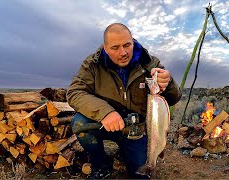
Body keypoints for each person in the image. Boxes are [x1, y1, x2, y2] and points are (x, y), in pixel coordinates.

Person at [67, 23, 181, 179]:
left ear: (132, 42)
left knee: (141, 174)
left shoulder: (149, 63)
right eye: (115, 48)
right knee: (80, 123)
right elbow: (75, 92)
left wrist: (168, 83)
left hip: (136, 132)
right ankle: (101, 165)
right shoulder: (92, 65)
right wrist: (106, 112)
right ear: (105, 48)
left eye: (127, 45)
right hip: (107, 124)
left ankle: (127, 153)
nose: (123, 52)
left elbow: (174, 98)